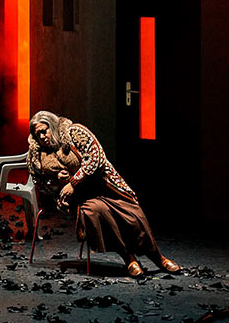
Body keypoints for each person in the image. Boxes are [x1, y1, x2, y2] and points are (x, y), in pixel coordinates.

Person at [27, 109, 179, 277]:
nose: (42, 136)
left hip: (103, 185)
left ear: (53, 126)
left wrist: (74, 181)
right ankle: (129, 259)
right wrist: (56, 180)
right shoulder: (36, 155)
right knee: (96, 212)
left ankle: (158, 257)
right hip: (80, 198)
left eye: (44, 130)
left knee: (132, 215)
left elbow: (96, 156)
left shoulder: (73, 132)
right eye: (37, 134)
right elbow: (39, 182)